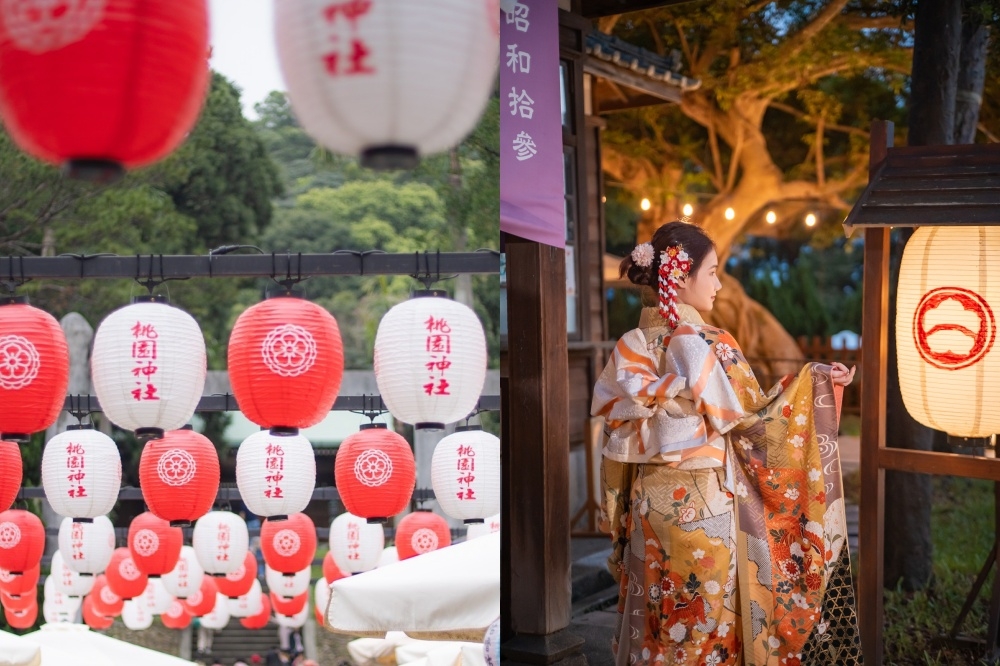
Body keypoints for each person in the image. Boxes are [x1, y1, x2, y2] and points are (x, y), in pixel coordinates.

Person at [591, 221, 861, 666]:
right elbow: (757, 424)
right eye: (713, 272)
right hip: (706, 509)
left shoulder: (630, 347)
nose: (718, 284)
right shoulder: (710, 343)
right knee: (703, 633)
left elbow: (616, 446)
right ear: (679, 276)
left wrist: (617, 514)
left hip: (648, 510)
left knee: (654, 625)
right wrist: (816, 384)